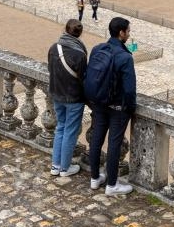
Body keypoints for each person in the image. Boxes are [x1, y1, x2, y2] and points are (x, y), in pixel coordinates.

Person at [86, 16, 138, 196]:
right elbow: (130, 90)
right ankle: (112, 184)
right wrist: (129, 108)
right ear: (121, 33)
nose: (129, 35)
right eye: (128, 31)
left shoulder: (97, 49)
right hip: (117, 108)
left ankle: (94, 179)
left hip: (98, 103)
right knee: (114, 144)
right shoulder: (125, 57)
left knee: (96, 140)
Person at [47, 19, 88, 177]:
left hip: (57, 94)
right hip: (74, 98)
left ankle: (55, 165)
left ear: (65, 29)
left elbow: (51, 68)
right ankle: (65, 168)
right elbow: (84, 79)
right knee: (70, 131)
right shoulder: (80, 54)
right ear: (80, 34)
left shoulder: (53, 48)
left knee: (60, 129)